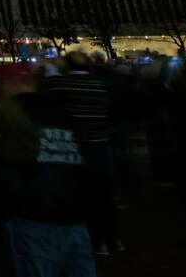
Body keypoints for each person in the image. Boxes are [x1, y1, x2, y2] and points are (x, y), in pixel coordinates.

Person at [0, 70, 95, 277]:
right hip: (74, 216)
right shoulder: (62, 112)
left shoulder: (11, 115)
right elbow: (84, 157)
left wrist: (3, 210)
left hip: (34, 218)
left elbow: (0, 167)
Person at [43, 51, 119, 256]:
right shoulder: (99, 87)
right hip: (100, 146)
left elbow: (48, 91)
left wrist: (52, 70)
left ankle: (96, 241)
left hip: (77, 148)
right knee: (104, 193)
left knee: (85, 195)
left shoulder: (63, 85)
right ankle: (112, 237)